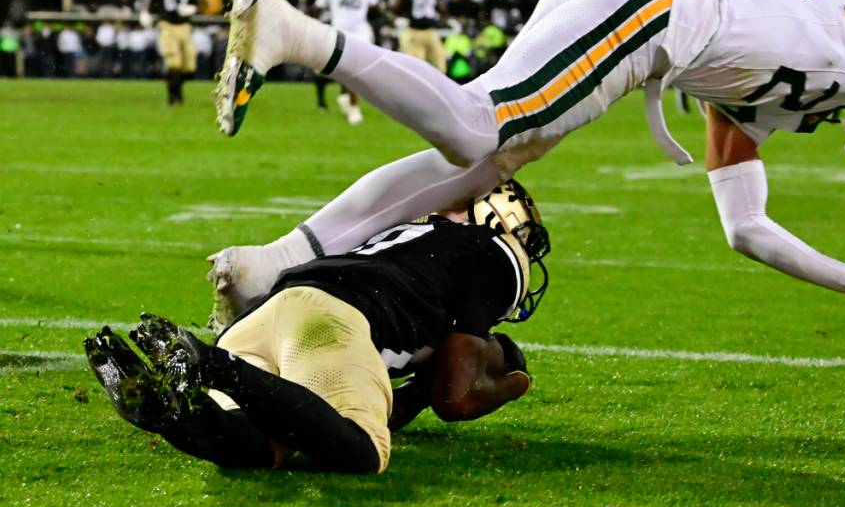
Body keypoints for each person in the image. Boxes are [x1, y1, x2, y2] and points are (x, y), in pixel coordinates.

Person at [212, 0, 845, 311]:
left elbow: (746, 229)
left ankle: (275, 261)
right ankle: (296, 34)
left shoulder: (752, 78)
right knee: (479, 127)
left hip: (641, 1)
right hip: (654, 5)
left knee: (491, 160)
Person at [85, 181, 550, 474]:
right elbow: (456, 398)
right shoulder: (496, 252)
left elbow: (370, 407)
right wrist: (513, 383)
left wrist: (419, 389)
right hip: (331, 323)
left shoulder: (407, 239)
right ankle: (211, 364)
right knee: (363, 454)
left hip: (266, 316)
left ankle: (167, 412)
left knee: (256, 446)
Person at [314, 0, 380, 125]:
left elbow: (375, 9)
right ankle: (351, 103)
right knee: (346, 70)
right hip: (339, 32)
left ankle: (349, 99)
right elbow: (318, 7)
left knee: (358, 71)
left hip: (361, 32)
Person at [148, 0, 203, 104]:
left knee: (190, 65)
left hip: (184, 26)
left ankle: (174, 86)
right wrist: (149, 14)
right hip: (167, 24)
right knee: (173, 62)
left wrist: (192, 8)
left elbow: (199, 2)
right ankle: (174, 95)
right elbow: (153, 3)